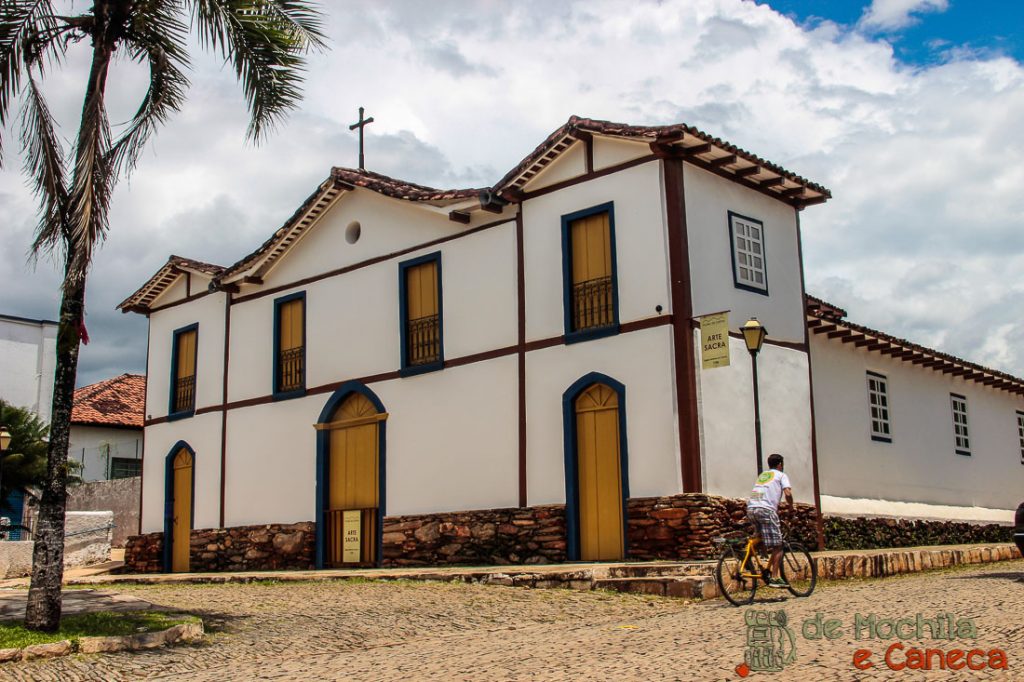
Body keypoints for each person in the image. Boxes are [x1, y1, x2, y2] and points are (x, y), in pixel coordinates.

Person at [747, 453, 793, 588]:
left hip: (751, 509)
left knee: (761, 538)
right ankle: (774, 577)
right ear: (780, 464)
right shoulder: (781, 475)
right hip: (766, 510)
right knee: (778, 545)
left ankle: (748, 557)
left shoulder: (763, 475)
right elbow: (788, 493)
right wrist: (791, 507)